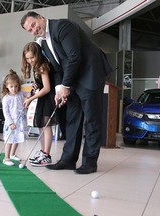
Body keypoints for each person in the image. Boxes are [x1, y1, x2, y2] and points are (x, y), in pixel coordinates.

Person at [21, 11, 112, 174]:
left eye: (34, 25)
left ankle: (90, 162)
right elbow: (56, 68)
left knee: (92, 119)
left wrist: (66, 85)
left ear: (41, 18)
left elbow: (74, 57)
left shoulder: (63, 26)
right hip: (73, 79)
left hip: (90, 73)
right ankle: (68, 160)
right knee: (72, 119)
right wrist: (59, 89)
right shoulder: (43, 43)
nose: (34, 30)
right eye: (30, 30)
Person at [22, 41, 57, 167]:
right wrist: (33, 89)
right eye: (27, 58)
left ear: (38, 55)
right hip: (42, 99)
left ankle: (47, 155)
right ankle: (43, 152)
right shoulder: (36, 67)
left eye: (32, 57)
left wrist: (31, 99)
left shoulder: (42, 65)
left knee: (46, 127)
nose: (30, 60)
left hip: (48, 99)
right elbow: (41, 84)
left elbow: (47, 88)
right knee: (41, 126)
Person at [1, 69, 28, 166]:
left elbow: (29, 95)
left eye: (16, 86)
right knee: (9, 140)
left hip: (20, 121)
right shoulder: (6, 98)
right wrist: (10, 123)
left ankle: (12, 154)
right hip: (11, 123)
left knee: (17, 138)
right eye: (11, 86)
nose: (14, 89)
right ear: (7, 86)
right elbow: (6, 112)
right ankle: (6, 158)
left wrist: (33, 92)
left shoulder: (20, 93)